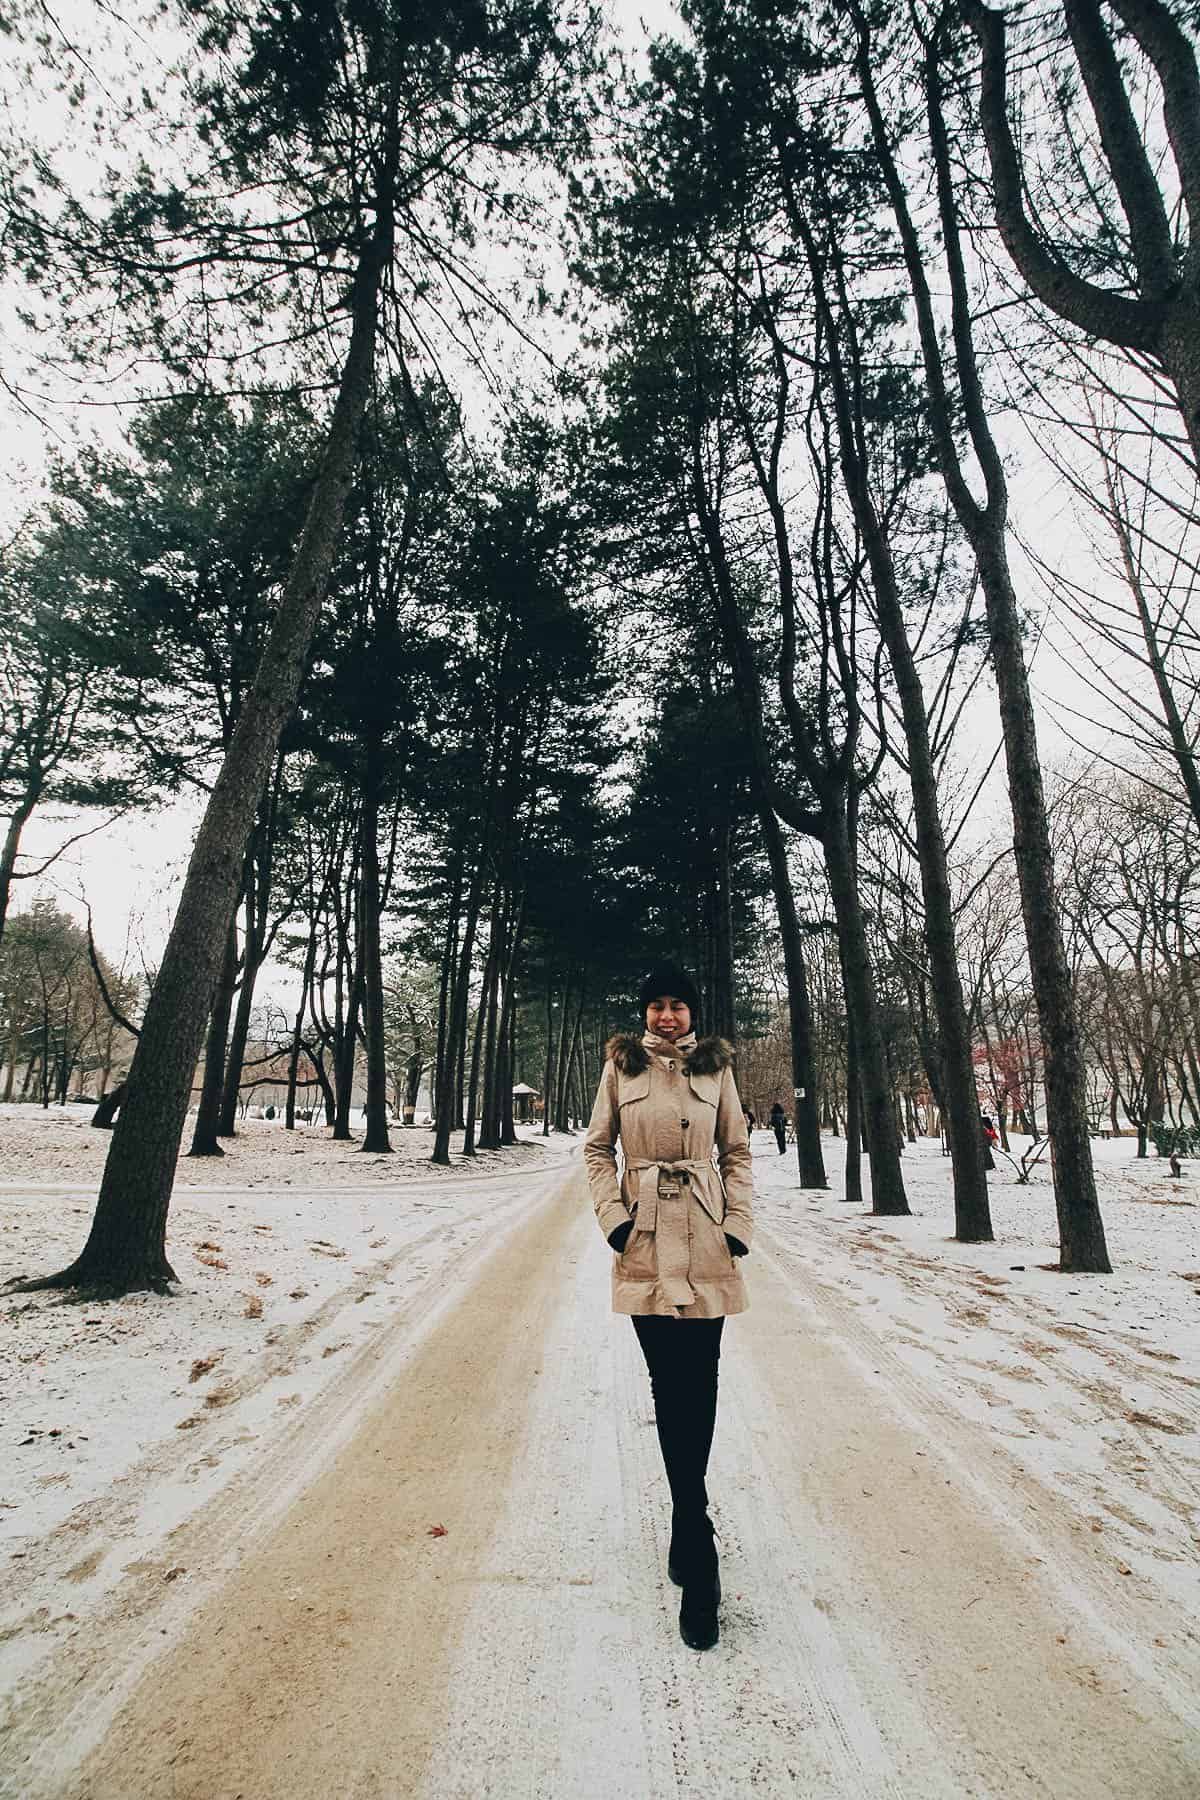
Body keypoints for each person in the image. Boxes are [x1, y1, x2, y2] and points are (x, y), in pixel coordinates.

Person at [584, 963, 753, 1653]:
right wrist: (615, 1221)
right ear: (644, 1013)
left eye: (677, 1005)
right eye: (655, 1004)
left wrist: (738, 1224)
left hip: (708, 1239)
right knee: (668, 1384)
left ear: (694, 1013)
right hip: (648, 1239)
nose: (666, 1016)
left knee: (701, 1381)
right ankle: (697, 1533)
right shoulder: (620, 1068)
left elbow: (738, 1152)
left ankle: (691, 1531)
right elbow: (596, 1149)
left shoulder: (717, 1070)